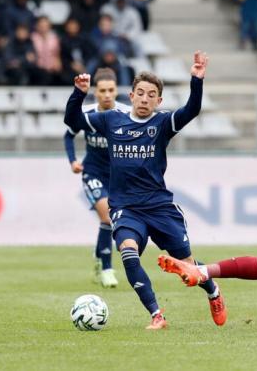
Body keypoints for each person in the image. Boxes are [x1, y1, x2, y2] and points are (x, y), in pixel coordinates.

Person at [64, 51, 227, 330]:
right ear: (131, 95)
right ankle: (156, 315)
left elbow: (191, 110)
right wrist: (78, 94)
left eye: (151, 95)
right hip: (126, 208)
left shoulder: (162, 123)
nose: (144, 98)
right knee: (128, 253)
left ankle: (213, 291)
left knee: (185, 264)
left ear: (159, 101)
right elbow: (74, 122)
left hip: (159, 207)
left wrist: (196, 80)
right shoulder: (112, 120)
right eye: (140, 93)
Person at [64, 68, 129, 288]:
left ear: (116, 90)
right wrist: (73, 160)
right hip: (92, 173)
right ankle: (107, 269)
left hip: (118, 177)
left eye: (111, 90)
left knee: (112, 221)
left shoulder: (126, 114)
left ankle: (100, 256)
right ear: (95, 92)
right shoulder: (87, 114)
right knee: (108, 217)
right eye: (103, 90)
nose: (107, 95)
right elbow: (68, 134)